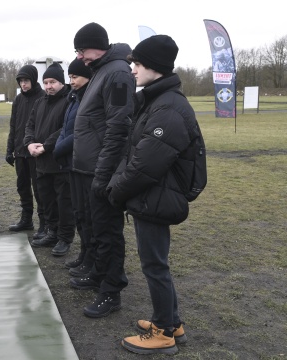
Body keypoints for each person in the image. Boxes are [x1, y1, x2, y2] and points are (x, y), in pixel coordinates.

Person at [108, 35, 196, 355]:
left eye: (138, 64)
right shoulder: (157, 100)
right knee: (157, 263)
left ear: (154, 68)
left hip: (155, 197)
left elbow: (145, 165)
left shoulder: (168, 108)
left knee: (154, 266)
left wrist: (116, 192)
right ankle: (172, 321)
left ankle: (163, 333)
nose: (132, 69)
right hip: (153, 195)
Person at [68, 22, 135, 318]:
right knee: (95, 229)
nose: (80, 56)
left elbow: (118, 127)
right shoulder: (101, 70)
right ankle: (98, 273)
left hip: (101, 170)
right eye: (77, 51)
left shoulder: (118, 73)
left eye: (83, 50)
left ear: (99, 46)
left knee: (108, 232)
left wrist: (104, 172)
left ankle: (111, 290)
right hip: (88, 168)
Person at [24, 62, 75, 257]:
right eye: (45, 82)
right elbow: (30, 125)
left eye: (52, 82)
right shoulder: (40, 102)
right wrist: (29, 143)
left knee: (64, 203)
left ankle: (65, 237)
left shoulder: (70, 101)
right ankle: (51, 232)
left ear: (61, 82)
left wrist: (46, 145)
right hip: (41, 162)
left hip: (60, 162)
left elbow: (66, 129)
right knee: (47, 201)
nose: (48, 86)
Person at [52, 59, 92, 273]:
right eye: (70, 77)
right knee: (79, 213)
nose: (71, 81)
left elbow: (80, 132)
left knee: (86, 214)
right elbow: (65, 129)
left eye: (75, 77)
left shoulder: (89, 99)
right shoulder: (74, 98)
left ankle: (90, 259)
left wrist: (59, 148)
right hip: (71, 162)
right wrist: (60, 145)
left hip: (81, 161)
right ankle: (84, 254)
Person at [6, 64, 45, 238]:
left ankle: (44, 223)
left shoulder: (43, 98)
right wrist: (10, 149)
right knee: (22, 187)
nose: (23, 84)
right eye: (21, 81)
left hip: (36, 152)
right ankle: (26, 219)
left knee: (40, 189)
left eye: (26, 80)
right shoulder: (18, 100)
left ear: (33, 80)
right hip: (20, 152)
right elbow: (14, 126)